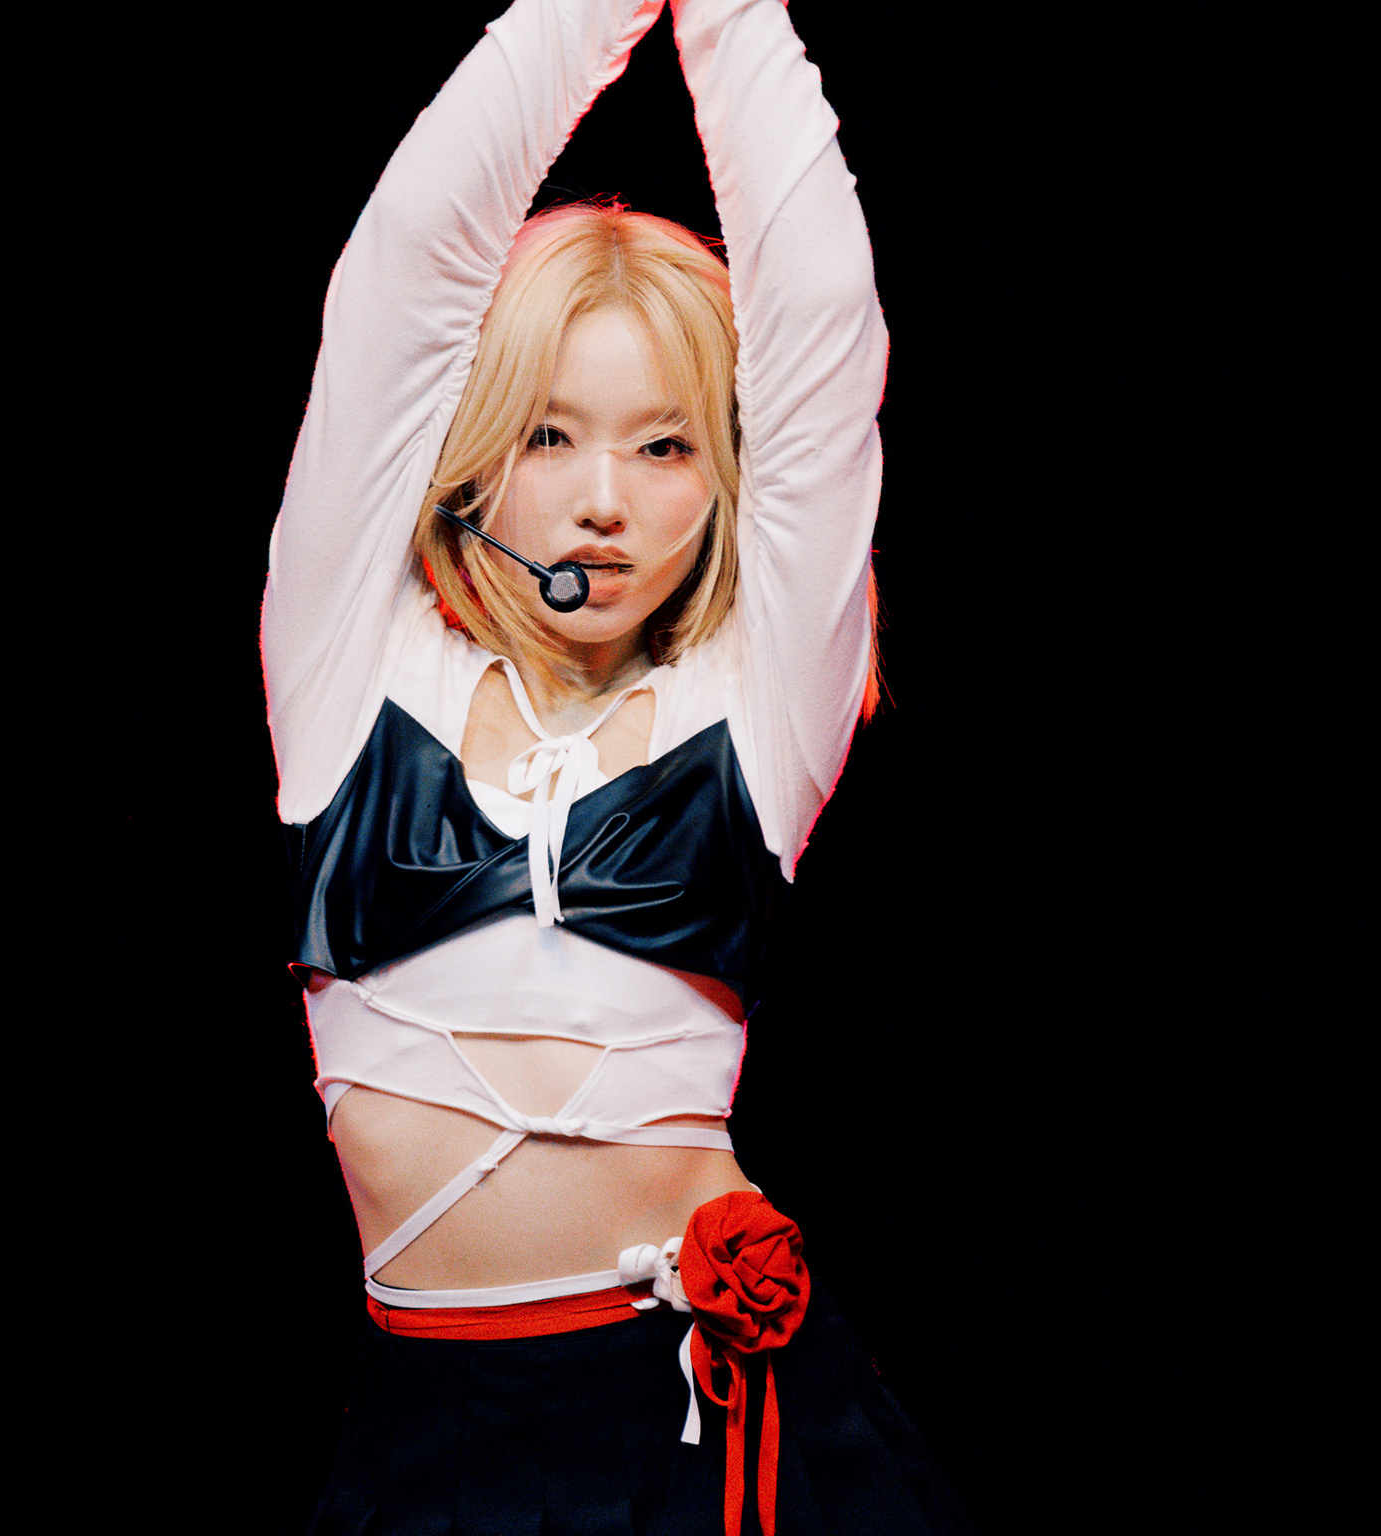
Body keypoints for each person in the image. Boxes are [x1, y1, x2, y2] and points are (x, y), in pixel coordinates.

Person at [263, 1, 959, 1530]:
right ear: (477, 448)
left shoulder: (755, 705)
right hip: (434, 1437)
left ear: (724, 477)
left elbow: (822, 330)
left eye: (665, 446)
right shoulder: (350, 664)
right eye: (550, 435)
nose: (603, 502)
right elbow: (402, 272)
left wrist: (733, 16)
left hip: (709, 1437)